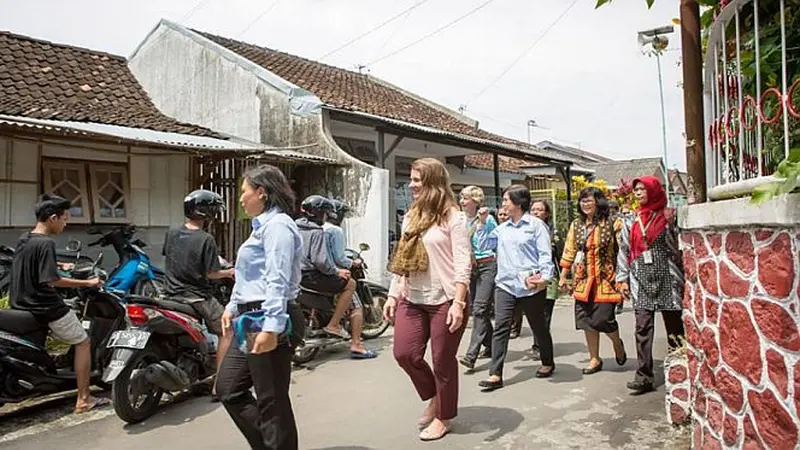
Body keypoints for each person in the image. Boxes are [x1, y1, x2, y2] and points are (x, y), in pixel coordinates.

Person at [383, 157, 470, 442]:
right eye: (412, 179)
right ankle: (434, 396)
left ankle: (444, 416)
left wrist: (458, 303)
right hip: (412, 297)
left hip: (444, 299)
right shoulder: (410, 216)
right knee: (404, 354)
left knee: (443, 360)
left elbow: (462, 263)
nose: (411, 185)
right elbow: (404, 258)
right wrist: (393, 295)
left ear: (432, 182)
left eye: (417, 180)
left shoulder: (453, 218)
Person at [216, 164, 302, 450]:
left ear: (262, 193)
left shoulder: (278, 227)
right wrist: (231, 306)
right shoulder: (262, 227)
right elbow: (248, 275)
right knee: (228, 389)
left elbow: (278, 278)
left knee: (272, 400)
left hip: (267, 315)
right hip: (250, 317)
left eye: (245, 192)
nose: (241, 199)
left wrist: (272, 326)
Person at [9, 194, 106, 414]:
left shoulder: (26, 238)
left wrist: (60, 264)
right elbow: (51, 280)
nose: (65, 223)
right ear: (53, 218)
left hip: (21, 303)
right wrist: (87, 282)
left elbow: (33, 264)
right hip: (44, 307)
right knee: (82, 341)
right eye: (64, 219)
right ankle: (84, 399)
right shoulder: (46, 243)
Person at [474, 185, 555, 391]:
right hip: (505, 285)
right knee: (501, 327)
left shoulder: (536, 226)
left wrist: (545, 278)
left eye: (506, 201)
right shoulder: (502, 228)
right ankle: (495, 374)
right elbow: (484, 245)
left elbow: (545, 254)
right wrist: (482, 223)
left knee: (538, 325)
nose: (503, 204)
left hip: (531, 285)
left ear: (518, 203)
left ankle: (547, 361)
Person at [162, 189, 235, 401]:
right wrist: (230, 272)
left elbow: (178, 257)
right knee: (227, 329)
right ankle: (219, 384)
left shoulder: (172, 232)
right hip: (197, 296)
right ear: (208, 213)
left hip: (171, 294)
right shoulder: (206, 239)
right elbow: (211, 274)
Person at [616, 176, 685, 395]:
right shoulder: (632, 219)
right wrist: (622, 278)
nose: (638, 193)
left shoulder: (670, 216)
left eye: (642, 189)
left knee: (674, 325)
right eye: (635, 189)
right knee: (642, 325)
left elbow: (680, 246)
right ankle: (644, 376)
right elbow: (624, 250)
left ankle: (680, 368)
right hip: (641, 276)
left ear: (653, 190)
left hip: (667, 275)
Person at [558, 187, 627, 375]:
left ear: (599, 202)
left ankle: (616, 343)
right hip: (583, 281)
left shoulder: (614, 223)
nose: (585, 204)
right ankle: (594, 358)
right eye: (582, 201)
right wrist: (564, 276)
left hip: (606, 280)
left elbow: (623, 252)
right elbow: (570, 250)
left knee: (604, 319)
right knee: (587, 321)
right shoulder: (576, 225)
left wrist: (623, 278)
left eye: (589, 200)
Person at [295, 195, 357, 341]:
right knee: (350, 284)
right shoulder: (317, 231)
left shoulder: (295, 227)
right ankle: (334, 324)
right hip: (311, 277)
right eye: (325, 214)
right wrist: (337, 271)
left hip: (295, 274)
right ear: (319, 213)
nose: (326, 217)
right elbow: (321, 262)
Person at [323, 198, 377, 359]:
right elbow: (339, 258)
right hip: (333, 274)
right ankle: (356, 344)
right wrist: (353, 262)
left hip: (312, 275)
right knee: (356, 306)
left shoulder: (317, 228)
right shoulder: (335, 231)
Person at [510, 200, 561, 356]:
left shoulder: (553, 232)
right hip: (529, 278)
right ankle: (539, 344)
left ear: (546, 213)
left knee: (544, 314)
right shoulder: (523, 230)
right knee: (533, 313)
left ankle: (540, 347)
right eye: (534, 209)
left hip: (548, 277)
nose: (536, 212)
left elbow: (558, 254)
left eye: (540, 210)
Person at [458, 186, 497, 371]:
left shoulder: (488, 219)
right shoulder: (459, 220)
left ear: (475, 200)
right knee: (476, 309)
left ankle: (471, 355)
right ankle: (491, 343)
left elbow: (492, 243)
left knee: (481, 308)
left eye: (465, 198)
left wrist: (481, 224)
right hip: (468, 267)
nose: (462, 202)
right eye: (461, 198)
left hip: (487, 265)